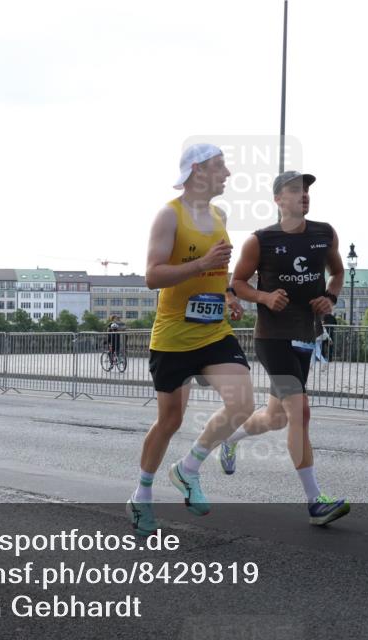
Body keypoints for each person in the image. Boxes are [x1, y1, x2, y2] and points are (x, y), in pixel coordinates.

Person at [128, 143, 254, 536]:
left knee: (243, 403)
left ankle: (188, 468)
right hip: (174, 336)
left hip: (214, 332)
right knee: (170, 420)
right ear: (198, 171)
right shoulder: (169, 216)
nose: (228, 173)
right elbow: (152, 275)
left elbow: (217, 272)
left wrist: (230, 296)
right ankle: (141, 495)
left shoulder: (218, 215)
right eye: (220, 166)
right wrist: (200, 263)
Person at [223, 171, 350, 526]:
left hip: (306, 335)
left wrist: (330, 298)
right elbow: (237, 282)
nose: (303, 195)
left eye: (306, 190)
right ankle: (315, 502)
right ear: (279, 199)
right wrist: (263, 296)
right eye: (295, 190)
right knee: (301, 411)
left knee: (276, 417)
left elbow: (337, 273)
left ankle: (230, 438)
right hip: (272, 337)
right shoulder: (260, 240)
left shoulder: (325, 233)